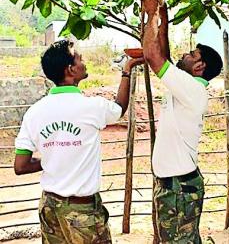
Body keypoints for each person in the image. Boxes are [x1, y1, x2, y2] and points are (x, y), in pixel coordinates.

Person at [14, 40, 144, 243]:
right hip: (81, 212)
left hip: (50, 208)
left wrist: (53, 158)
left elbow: (20, 166)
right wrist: (126, 70)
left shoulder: (34, 112)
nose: (84, 62)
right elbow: (119, 107)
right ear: (70, 70)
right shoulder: (91, 107)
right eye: (80, 59)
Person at [142, 0, 223, 243]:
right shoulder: (187, 85)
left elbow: (154, 57)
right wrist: (163, 17)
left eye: (192, 54)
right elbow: (163, 55)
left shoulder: (191, 88)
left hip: (178, 187)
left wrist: (150, 16)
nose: (185, 55)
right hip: (176, 184)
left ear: (199, 67)